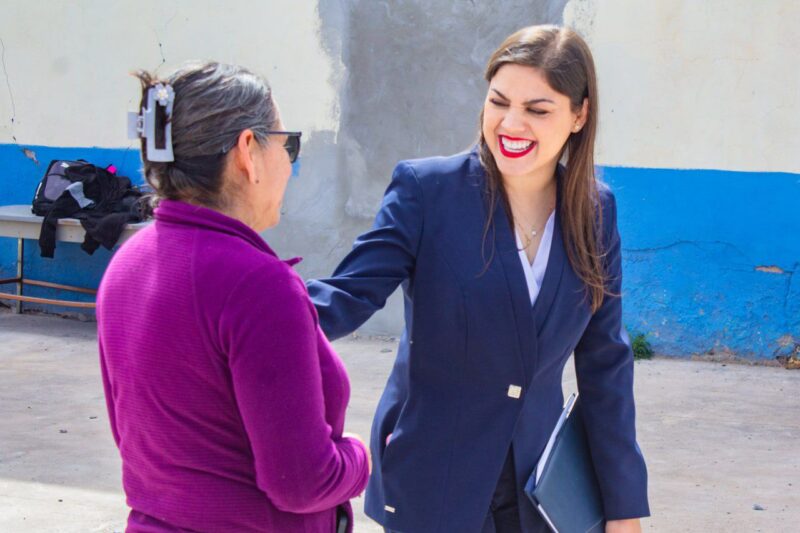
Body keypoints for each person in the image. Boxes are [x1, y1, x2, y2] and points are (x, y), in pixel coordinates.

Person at [307, 25, 649, 532]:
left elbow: (606, 364)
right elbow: (348, 294)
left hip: (539, 488)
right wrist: (244, 307)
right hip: (434, 476)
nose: (511, 124)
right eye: (498, 102)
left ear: (579, 115)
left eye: (537, 110)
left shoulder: (594, 212)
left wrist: (623, 505)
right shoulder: (428, 191)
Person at [97, 62, 370, 532]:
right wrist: (360, 456)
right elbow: (302, 482)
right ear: (248, 151)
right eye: (287, 145)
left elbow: (141, 445)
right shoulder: (257, 284)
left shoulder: (129, 260)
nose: (290, 165)